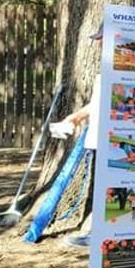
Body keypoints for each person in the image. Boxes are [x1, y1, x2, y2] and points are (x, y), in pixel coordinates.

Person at [55, 23, 104, 248]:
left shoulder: (122, 71)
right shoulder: (104, 71)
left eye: (102, 39)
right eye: (98, 39)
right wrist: (75, 117)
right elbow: (96, 105)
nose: (99, 43)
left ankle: (98, 235)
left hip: (109, 141)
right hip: (97, 140)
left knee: (105, 190)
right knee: (99, 188)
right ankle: (96, 233)